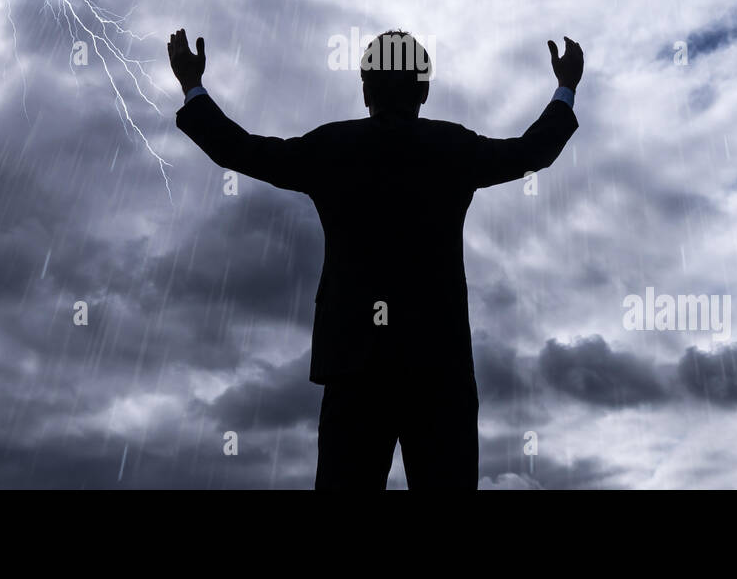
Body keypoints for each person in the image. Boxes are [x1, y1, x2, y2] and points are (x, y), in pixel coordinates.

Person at [167, 28, 582, 488]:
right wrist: (565, 88)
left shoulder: (331, 147)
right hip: (438, 365)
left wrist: (192, 85)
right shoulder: (454, 147)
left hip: (354, 367)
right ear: (424, 88)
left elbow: (240, 149)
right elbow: (531, 152)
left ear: (364, 89)